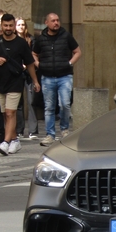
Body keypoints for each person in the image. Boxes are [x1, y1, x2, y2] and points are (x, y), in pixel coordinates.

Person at [0, 13, 40, 155]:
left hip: (15, 82)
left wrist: (35, 81)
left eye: (10, 25)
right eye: (5, 25)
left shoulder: (21, 43)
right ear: (1, 26)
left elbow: (30, 63)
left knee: (10, 112)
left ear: (14, 26)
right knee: (5, 114)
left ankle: (6, 142)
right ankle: (15, 140)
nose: (8, 28)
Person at [32, 13, 81, 147]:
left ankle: (64, 130)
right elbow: (34, 53)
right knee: (49, 107)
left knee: (64, 104)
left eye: (58, 20)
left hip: (64, 76)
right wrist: (38, 64)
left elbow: (77, 51)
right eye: (53, 21)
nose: (56, 23)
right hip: (47, 77)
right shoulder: (41, 39)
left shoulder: (66, 36)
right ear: (46, 23)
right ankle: (50, 134)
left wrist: (70, 63)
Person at [16, 17, 38, 139]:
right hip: (17, 73)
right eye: (18, 24)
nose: (21, 27)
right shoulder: (12, 40)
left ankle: (33, 130)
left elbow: (33, 55)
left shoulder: (31, 40)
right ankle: (19, 130)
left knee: (31, 101)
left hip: (29, 73)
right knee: (18, 103)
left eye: (23, 24)